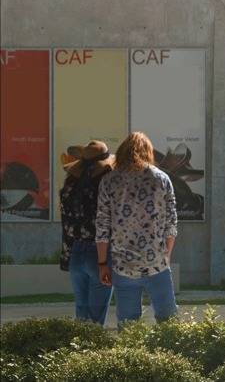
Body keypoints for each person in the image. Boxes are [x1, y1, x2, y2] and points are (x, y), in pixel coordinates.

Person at [96, 131, 178, 329]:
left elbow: (102, 226)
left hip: (123, 265)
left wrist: (102, 263)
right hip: (156, 263)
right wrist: (165, 257)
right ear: (148, 152)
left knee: (128, 326)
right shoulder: (162, 179)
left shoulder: (109, 181)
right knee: (169, 324)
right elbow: (171, 225)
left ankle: (133, 359)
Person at [59, 140, 115, 325]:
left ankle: (80, 352)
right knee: (96, 319)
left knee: (81, 315)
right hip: (99, 254)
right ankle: (92, 351)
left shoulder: (68, 189)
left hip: (76, 252)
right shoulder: (105, 189)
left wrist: (67, 258)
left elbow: (66, 226)